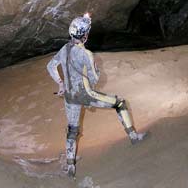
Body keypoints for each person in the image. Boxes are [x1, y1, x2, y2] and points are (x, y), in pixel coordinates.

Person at [47, 13, 147, 178]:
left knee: (72, 130)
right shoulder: (86, 54)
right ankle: (134, 136)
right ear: (85, 35)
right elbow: (94, 78)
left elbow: (51, 66)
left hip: (70, 97)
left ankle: (71, 167)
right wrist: (89, 96)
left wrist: (60, 83)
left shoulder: (64, 49)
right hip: (85, 94)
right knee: (120, 103)